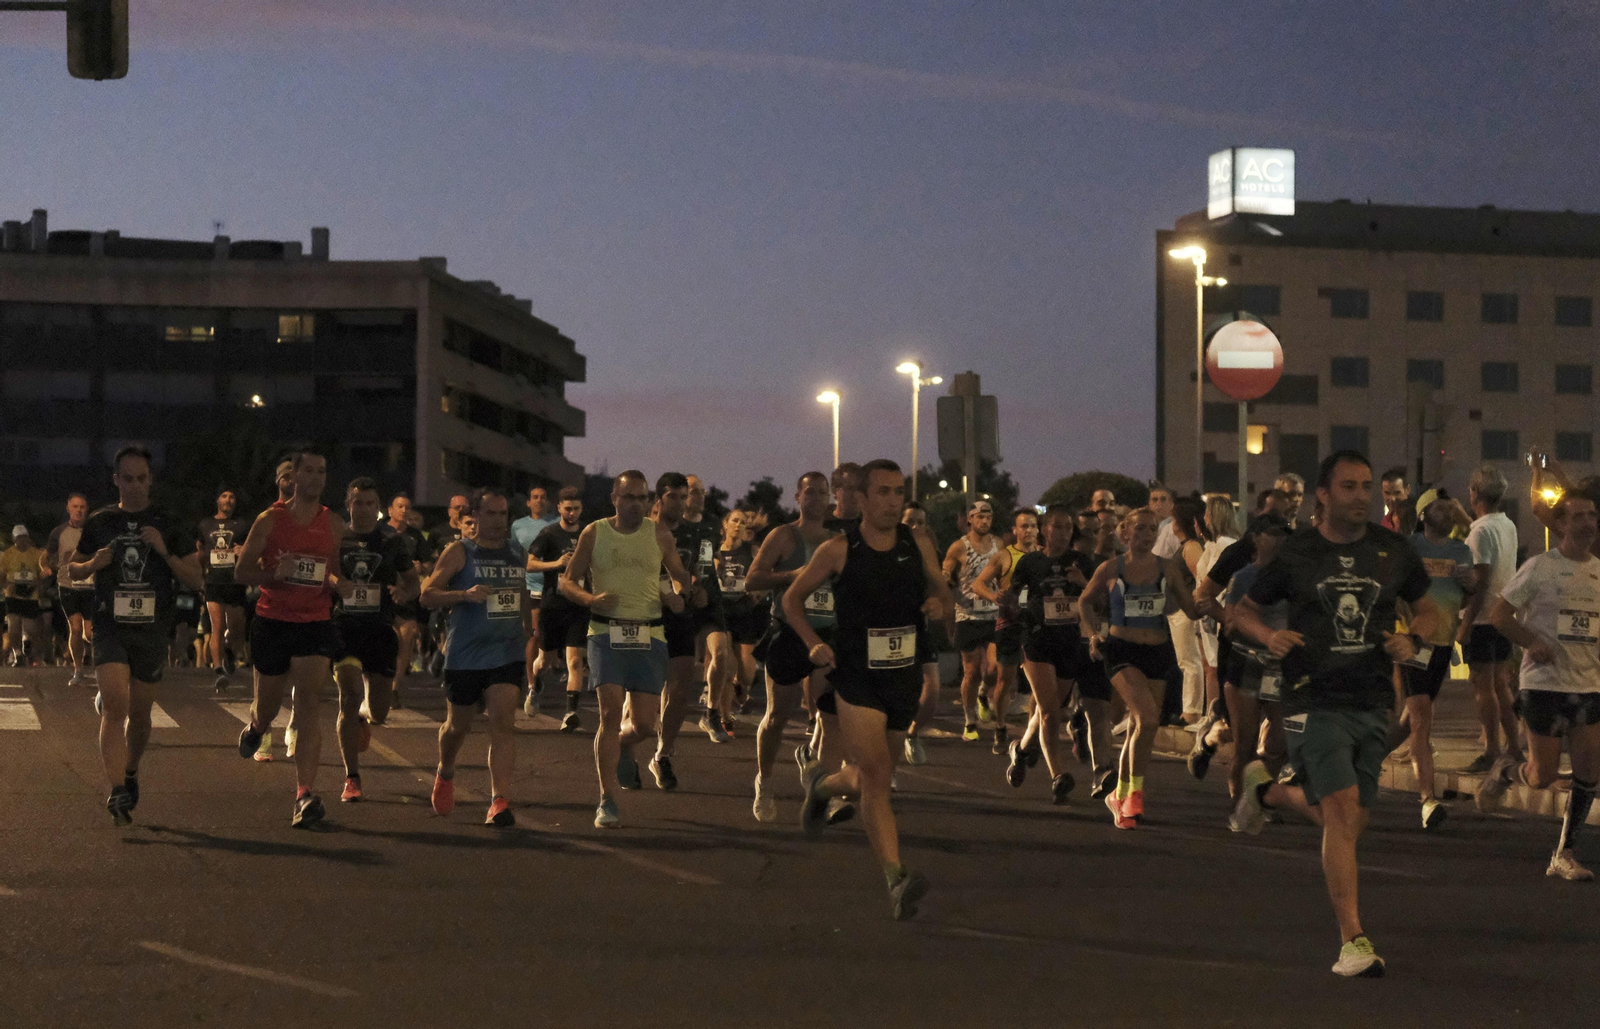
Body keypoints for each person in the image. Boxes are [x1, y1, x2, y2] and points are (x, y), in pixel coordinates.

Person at [1230, 450, 1437, 978]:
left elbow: (1430, 609)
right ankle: (1353, 941)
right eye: (1349, 487)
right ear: (1322, 495)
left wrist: (1411, 638)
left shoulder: (1393, 550)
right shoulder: (1296, 553)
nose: (1362, 496)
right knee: (1343, 812)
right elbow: (1242, 612)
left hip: (1372, 698)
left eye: (1367, 486)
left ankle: (1266, 790)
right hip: (1310, 697)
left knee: (1348, 821)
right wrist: (1269, 635)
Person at [787, 459, 952, 920]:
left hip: (903, 676)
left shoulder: (917, 542)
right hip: (857, 676)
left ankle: (821, 787)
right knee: (878, 776)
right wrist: (814, 642)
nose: (893, 501)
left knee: (868, 779)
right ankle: (896, 879)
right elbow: (791, 600)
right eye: (882, 492)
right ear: (860, 499)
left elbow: (944, 591)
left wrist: (940, 603)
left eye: (899, 492)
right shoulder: (839, 549)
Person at [67, 445, 203, 824]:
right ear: (115, 480)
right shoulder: (100, 521)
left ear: (150, 479)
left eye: (141, 478)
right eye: (127, 478)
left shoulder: (168, 520)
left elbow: (195, 579)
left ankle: (130, 771)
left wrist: (164, 552)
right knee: (115, 706)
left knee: (140, 715)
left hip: (152, 628)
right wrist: (94, 562)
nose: (135, 485)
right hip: (110, 624)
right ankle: (116, 790)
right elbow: (73, 571)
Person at [1475, 485, 1600, 880]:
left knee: (1588, 772)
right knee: (1543, 776)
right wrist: (1532, 642)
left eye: (1591, 515)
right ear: (1561, 523)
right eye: (1577, 516)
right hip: (1544, 684)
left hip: (1589, 684)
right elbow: (1499, 615)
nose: (1586, 522)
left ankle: (1564, 853)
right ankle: (1507, 771)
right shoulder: (1540, 567)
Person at [558, 470, 690, 828]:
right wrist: (590, 599)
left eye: (642, 497)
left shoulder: (659, 533)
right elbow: (566, 582)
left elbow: (680, 576)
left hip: (649, 635)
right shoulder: (595, 532)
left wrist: (675, 594)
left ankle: (623, 747)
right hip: (606, 634)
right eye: (629, 497)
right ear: (614, 498)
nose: (636, 504)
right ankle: (607, 800)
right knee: (609, 713)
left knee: (646, 725)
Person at [233, 450, 346, 829]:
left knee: (309, 704)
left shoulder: (333, 525)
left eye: (322, 471)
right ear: (293, 476)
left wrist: (340, 584)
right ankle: (257, 729)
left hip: (314, 621)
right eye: (308, 470)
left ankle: (304, 794)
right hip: (273, 621)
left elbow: (335, 574)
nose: (315, 478)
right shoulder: (270, 520)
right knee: (267, 707)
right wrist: (271, 574)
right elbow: (241, 572)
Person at [1078, 508, 1201, 828]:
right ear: (1125, 534)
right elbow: (1084, 601)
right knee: (1146, 718)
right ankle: (1133, 796)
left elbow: (1191, 608)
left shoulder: (1168, 569)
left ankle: (1119, 794)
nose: (1147, 535)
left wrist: (1223, 604)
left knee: (1141, 726)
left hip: (1158, 652)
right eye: (1140, 529)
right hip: (1121, 651)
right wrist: (1093, 634)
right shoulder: (1111, 568)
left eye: (1152, 530)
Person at [421, 488, 527, 827]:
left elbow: (522, 594)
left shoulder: (515, 552)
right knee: (457, 727)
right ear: (476, 517)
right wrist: (463, 595)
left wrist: (531, 632)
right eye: (492, 514)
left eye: (504, 514)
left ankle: (499, 800)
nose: (499, 521)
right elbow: (427, 596)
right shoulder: (459, 552)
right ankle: (445, 771)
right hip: (465, 654)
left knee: (503, 722)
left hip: (506, 651)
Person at [746, 471, 836, 821]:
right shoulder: (784, 536)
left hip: (827, 633)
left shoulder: (837, 540)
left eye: (822, 492)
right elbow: (753, 579)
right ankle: (765, 782)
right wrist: (793, 575)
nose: (815, 498)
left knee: (832, 716)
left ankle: (820, 779)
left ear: (829, 499)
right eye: (809, 492)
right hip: (788, 633)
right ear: (797, 496)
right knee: (777, 716)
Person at [332, 478, 418, 802]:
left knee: (380, 713)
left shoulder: (392, 541)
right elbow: (323, 570)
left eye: (370, 503)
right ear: (348, 505)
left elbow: (414, 583)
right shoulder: (337, 539)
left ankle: (364, 717)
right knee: (349, 693)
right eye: (358, 503)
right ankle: (351, 778)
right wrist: (335, 582)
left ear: (378, 507)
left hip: (380, 628)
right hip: (344, 627)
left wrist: (403, 591)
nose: (364, 509)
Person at [1004, 505, 1097, 803]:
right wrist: (1012, 607)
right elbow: (1011, 596)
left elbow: (1100, 597)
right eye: (1057, 526)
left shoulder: (1081, 561)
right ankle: (1058, 775)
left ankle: (1019, 751)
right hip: (1037, 641)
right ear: (1045, 529)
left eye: (1068, 527)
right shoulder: (1030, 562)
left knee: (1051, 710)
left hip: (1068, 642)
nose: (1062, 533)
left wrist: (1082, 583)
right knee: (1049, 712)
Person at [1398, 488, 1475, 830]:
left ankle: (1361, 765)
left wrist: (1469, 582)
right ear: (1423, 514)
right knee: (1421, 719)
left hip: (1444, 642)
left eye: (1448, 508)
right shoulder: (1412, 547)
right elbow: (1394, 588)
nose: (1445, 513)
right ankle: (1428, 800)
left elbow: (1471, 591)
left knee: (1413, 718)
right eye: (1438, 508)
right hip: (1415, 641)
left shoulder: (1461, 550)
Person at [1460, 465, 1524, 774]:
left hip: (1483, 619)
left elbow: (1479, 580)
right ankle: (1514, 747)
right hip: (1504, 616)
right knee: (1501, 684)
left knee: (1482, 686)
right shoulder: (1506, 525)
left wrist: (1465, 623)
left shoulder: (1479, 532)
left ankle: (1491, 749)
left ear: (1474, 493)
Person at [971, 508, 1039, 754]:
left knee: (1036, 682)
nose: (1028, 530)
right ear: (1015, 530)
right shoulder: (1003, 556)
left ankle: (1033, 734)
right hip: (1009, 624)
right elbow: (977, 584)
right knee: (1003, 680)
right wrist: (994, 596)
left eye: (1032, 526)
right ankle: (1000, 726)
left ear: (1038, 529)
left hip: (1035, 625)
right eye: (1024, 526)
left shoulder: (1044, 556)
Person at [527, 487, 588, 731]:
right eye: (567, 508)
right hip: (553, 605)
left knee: (575, 661)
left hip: (579, 606)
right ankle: (535, 686)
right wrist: (557, 563)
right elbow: (530, 564)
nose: (572, 513)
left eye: (576, 509)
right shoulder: (549, 533)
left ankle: (571, 711)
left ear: (581, 509)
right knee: (545, 661)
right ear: (560, 508)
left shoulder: (588, 534)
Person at [944, 499, 1001, 741]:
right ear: (970, 519)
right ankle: (969, 721)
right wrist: (946, 574)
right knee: (971, 670)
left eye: (988, 517)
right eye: (980, 517)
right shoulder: (959, 546)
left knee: (993, 669)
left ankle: (983, 694)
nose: (984, 521)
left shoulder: (999, 544)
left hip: (993, 614)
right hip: (967, 613)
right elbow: (947, 566)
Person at [198, 488, 249, 690]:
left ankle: (228, 650)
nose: (228, 500)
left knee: (236, 629)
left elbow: (251, 548)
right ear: (217, 500)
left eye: (232, 496)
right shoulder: (205, 525)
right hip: (214, 581)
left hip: (235, 581)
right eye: (224, 496)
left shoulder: (242, 525)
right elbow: (199, 551)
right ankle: (219, 669)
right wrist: (201, 572)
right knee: (216, 626)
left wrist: (242, 551)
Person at [717, 508, 766, 716]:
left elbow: (766, 575)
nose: (738, 525)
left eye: (743, 522)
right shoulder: (716, 552)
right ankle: (723, 716)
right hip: (722, 614)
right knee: (725, 666)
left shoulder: (752, 551)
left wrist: (758, 594)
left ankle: (740, 685)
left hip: (746, 613)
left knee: (746, 674)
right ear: (726, 524)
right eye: (735, 521)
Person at [384, 491, 431, 708]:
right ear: (390, 510)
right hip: (381, 593)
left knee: (408, 633)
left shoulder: (415, 536)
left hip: (407, 594)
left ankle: (394, 687)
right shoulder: (379, 531)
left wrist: (421, 567)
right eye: (400, 506)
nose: (404, 511)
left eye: (408, 507)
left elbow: (428, 564)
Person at [44, 495, 95, 686]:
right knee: (74, 627)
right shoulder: (59, 532)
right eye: (75, 506)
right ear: (68, 508)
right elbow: (46, 556)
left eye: (82, 506)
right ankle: (78, 670)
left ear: (87, 509)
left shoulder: (94, 531)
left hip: (90, 585)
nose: (79, 510)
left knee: (89, 633)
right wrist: (46, 567)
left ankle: (95, 662)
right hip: (67, 585)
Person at [511, 485, 556, 699]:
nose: (539, 500)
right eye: (535, 497)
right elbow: (512, 554)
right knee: (533, 635)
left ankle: (538, 670)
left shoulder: (557, 524)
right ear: (528, 502)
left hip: (553, 587)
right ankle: (530, 683)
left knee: (548, 639)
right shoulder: (518, 526)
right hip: (528, 585)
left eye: (543, 497)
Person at [1, 525, 48, 667]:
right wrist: (6, 585)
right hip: (13, 595)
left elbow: (44, 572)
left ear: (28, 537)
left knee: (31, 628)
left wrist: (37, 581)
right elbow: (2, 574)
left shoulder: (36, 554)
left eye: (24, 537)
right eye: (19, 538)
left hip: (30, 594)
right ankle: (18, 654)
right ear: (14, 539)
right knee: (13, 627)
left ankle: (26, 640)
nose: (22, 541)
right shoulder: (8, 554)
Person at [1380, 467, 1413, 535]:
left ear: (1408, 490)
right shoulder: (1385, 521)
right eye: (1387, 493)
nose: (1392, 499)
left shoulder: (1418, 520)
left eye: (1397, 493)